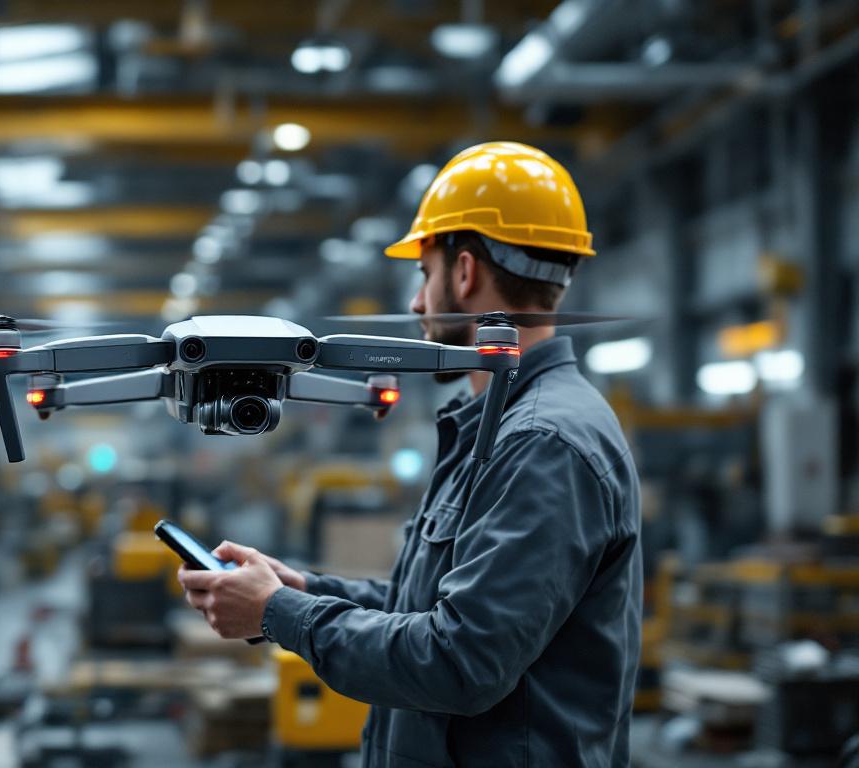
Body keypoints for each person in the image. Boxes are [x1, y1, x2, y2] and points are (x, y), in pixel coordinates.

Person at [179, 142, 642, 767]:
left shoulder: (541, 442)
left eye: (424, 275)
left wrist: (282, 613)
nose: (418, 303)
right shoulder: (499, 429)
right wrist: (302, 589)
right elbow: (436, 610)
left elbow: (459, 662)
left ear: (466, 272)